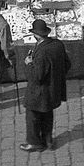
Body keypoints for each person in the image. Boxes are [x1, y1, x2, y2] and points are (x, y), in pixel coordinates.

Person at [20, 18, 71, 152]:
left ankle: (34, 142)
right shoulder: (58, 45)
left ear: (35, 35)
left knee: (32, 117)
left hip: (38, 93)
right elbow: (67, 64)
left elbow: (36, 77)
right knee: (48, 115)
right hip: (52, 90)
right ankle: (48, 140)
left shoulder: (42, 53)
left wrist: (29, 63)